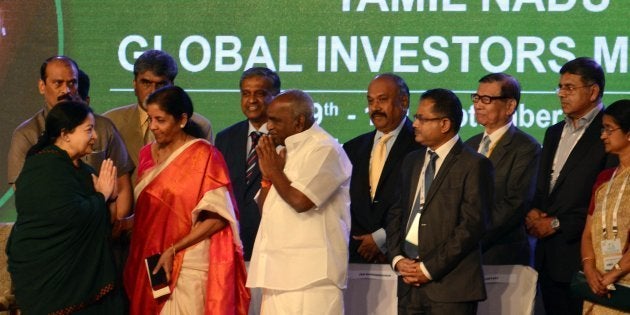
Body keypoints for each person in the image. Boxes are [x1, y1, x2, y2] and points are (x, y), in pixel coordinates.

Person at [123, 86, 249, 315]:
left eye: (160, 120)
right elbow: (151, 210)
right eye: (150, 119)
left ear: (182, 119)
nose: (152, 127)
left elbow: (219, 218)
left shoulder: (205, 155)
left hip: (189, 263)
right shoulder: (145, 155)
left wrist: (173, 249)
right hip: (149, 259)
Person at [7, 101, 126, 314]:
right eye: (88, 130)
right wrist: (101, 196)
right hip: (47, 277)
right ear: (65, 134)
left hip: (84, 278)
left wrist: (111, 197)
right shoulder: (43, 169)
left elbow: (107, 223)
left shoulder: (84, 170)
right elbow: (68, 216)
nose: (95, 137)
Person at [387, 88, 492, 314]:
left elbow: (471, 226)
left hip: (450, 288)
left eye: (422, 119)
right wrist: (397, 258)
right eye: (416, 118)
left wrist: (428, 268)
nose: (414, 124)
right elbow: (396, 213)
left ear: (444, 124)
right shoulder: (411, 161)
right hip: (408, 285)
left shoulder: (473, 165)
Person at [526, 57, 618, 315]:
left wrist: (556, 224)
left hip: (584, 258)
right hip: (546, 257)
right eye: (560, 87)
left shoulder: (609, 133)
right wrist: (533, 210)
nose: (561, 94)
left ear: (593, 91)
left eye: (569, 87)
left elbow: (604, 202)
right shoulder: (554, 132)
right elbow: (544, 186)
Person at [246, 90, 352, 314]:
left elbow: (301, 201)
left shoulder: (324, 149)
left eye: (275, 120)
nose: (268, 126)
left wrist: (275, 172)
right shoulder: (284, 150)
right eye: (268, 119)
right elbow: (266, 208)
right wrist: (267, 179)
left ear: (299, 122)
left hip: (312, 280)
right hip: (276, 274)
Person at [7, 55, 134, 219]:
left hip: (101, 230)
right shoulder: (26, 134)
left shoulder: (104, 127)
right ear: (42, 86)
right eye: (57, 83)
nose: (65, 90)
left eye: (72, 83)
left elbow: (122, 185)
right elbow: (26, 196)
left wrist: (113, 228)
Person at [343, 73, 422, 263]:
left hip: (404, 256)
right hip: (357, 254)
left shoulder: (422, 146)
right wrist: (362, 241)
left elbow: (423, 203)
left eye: (382, 100)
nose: (375, 108)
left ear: (404, 101)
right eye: (371, 101)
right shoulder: (352, 148)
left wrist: (381, 239)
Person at [465, 73, 541, 265]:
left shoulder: (526, 147)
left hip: (501, 254)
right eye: (476, 97)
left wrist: (470, 237)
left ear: (510, 106)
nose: (478, 105)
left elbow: (515, 203)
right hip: (463, 255)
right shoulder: (469, 144)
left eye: (487, 99)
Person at [104, 49, 213, 176]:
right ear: (134, 84)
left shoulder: (200, 125)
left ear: (172, 86)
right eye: (146, 83)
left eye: (161, 84)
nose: (153, 91)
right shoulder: (111, 122)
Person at [215, 67, 281, 261]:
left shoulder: (286, 138)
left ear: (276, 97)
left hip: (272, 244)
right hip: (233, 244)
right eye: (246, 94)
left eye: (260, 94)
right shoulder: (225, 137)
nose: (251, 100)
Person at [580, 99, 630, 314]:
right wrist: (589, 267)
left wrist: (616, 273)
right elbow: (588, 233)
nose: (603, 135)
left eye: (609, 129)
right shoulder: (603, 180)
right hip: (598, 284)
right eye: (603, 128)